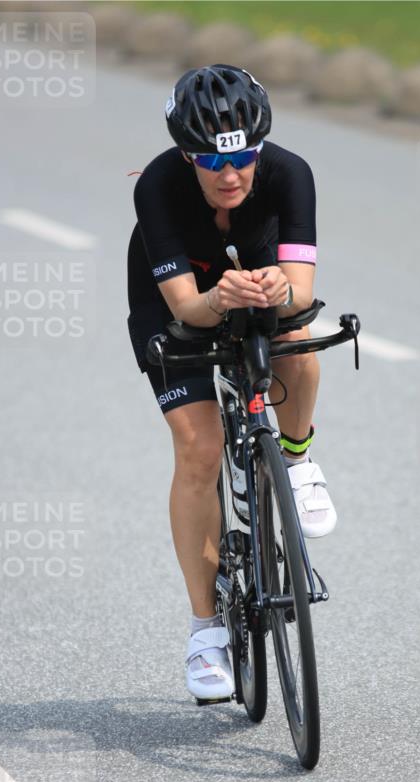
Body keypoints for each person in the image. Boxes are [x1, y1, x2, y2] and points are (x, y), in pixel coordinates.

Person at [127, 64, 336, 703]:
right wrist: (218, 298)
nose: (230, 174)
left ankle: (295, 462)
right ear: (187, 155)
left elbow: (301, 293)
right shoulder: (159, 186)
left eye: (243, 157)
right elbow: (187, 308)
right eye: (213, 161)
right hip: (179, 300)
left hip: (258, 277)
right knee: (199, 448)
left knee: (298, 341)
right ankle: (205, 634)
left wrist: (278, 291)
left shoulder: (291, 175)